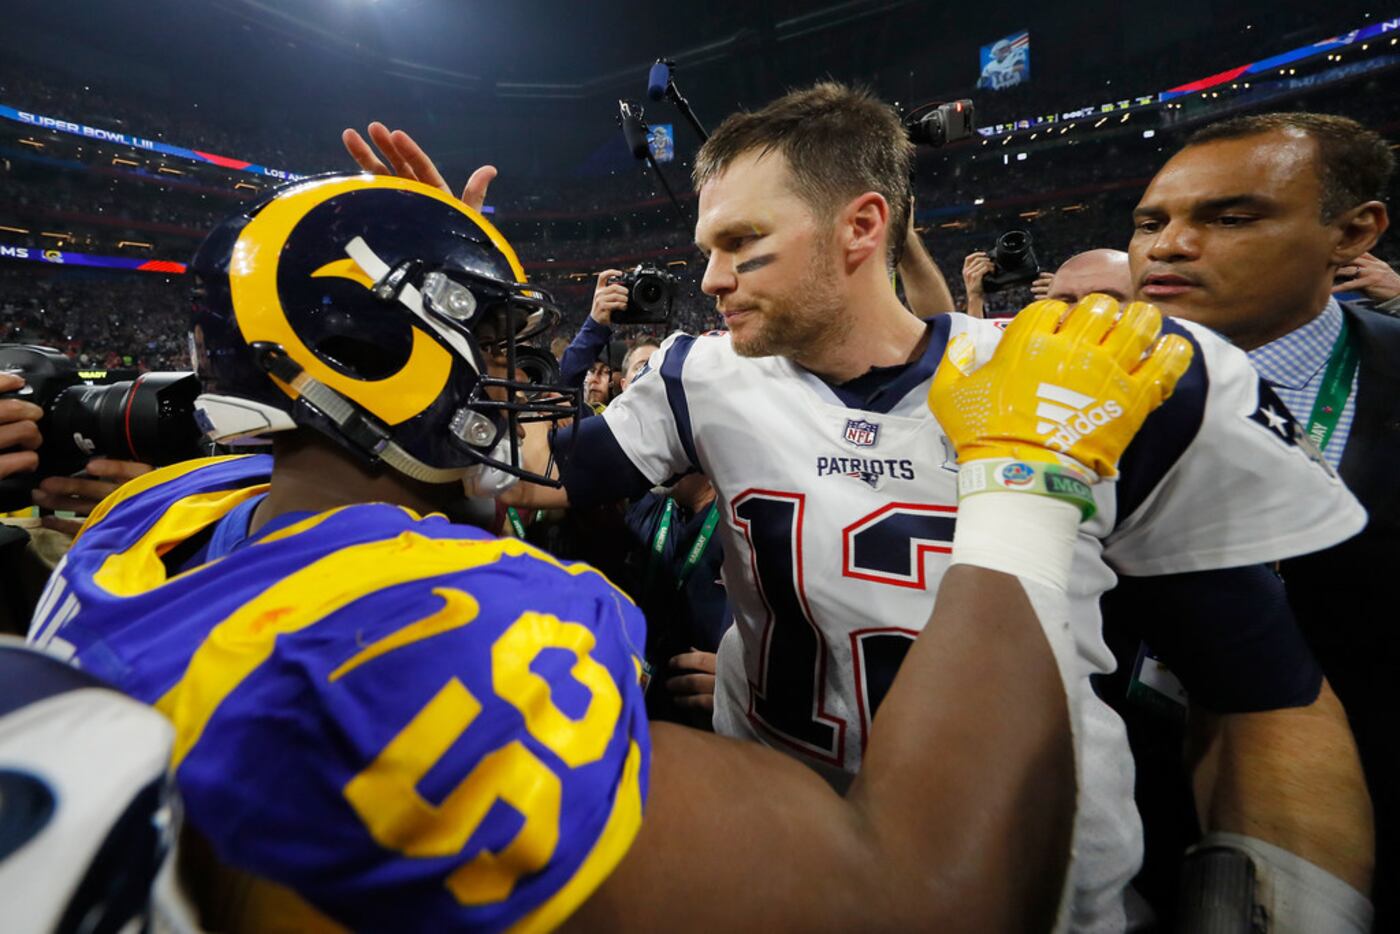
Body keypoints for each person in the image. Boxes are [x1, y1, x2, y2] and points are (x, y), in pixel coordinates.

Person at [25, 171, 1195, 931]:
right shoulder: (432, 636)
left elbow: (400, 498)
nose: (505, 368)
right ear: (371, 345)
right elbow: (935, 903)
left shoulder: (156, 517)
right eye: (477, 335)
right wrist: (1026, 483)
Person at [344, 89, 1367, 931]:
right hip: (775, 871)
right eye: (706, 244)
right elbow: (515, 473)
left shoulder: (1095, 374)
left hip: (1048, 888)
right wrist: (440, 296)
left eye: (741, 242)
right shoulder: (703, 377)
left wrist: (1286, 907)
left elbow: (1258, 696)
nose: (708, 278)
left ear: (860, 227)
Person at [1130, 110, 1398, 928]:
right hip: (1121, 840)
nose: (1169, 246)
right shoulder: (1061, 394)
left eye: (1230, 218)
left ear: (1351, 232)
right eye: (1151, 222)